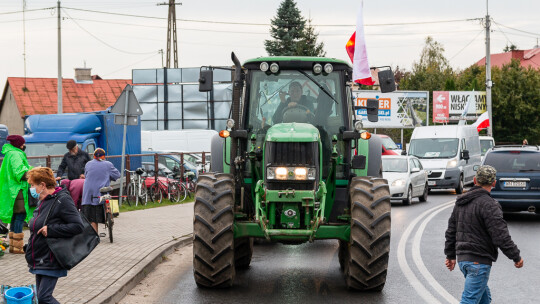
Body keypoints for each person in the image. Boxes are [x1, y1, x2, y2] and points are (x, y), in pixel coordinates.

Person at [444, 165, 523, 304]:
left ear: (474, 180)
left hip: (464, 260)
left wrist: (450, 255)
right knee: (469, 301)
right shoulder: (490, 204)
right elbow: (500, 235)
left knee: (484, 300)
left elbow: (451, 231)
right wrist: (515, 256)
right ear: (494, 182)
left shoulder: (461, 202)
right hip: (478, 262)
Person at [25, 167, 83, 304]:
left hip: (51, 257)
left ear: (42, 185)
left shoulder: (62, 200)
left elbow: (78, 226)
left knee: (44, 297)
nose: (31, 188)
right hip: (40, 256)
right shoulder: (42, 201)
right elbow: (36, 227)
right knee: (41, 298)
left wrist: (51, 230)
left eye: (33, 185)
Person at [0, 135, 32, 254]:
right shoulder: (16, 154)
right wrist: (34, 174)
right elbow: (20, 172)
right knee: (20, 216)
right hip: (18, 190)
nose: (24, 146)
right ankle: (18, 247)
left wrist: (34, 169)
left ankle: (13, 246)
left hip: (12, 190)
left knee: (14, 217)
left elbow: (25, 168)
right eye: (23, 144)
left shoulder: (10, 153)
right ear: (19, 144)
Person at [81, 148, 120, 235]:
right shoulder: (108, 164)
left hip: (89, 194)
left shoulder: (88, 164)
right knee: (106, 197)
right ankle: (109, 215)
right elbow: (117, 175)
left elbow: (86, 175)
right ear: (104, 156)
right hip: (102, 191)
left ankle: (95, 235)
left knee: (92, 217)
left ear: (94, 156)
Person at [56, 140, 91, 210]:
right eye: (69, 150)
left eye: (71, 149)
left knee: (82, 200)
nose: (70, 151)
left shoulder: (84, 155)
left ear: (76, 148)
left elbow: (90, 167)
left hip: (83, 182)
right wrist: (59, 175)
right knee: (73, 200)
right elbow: (62, 167)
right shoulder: (67, 156)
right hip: (72, 182)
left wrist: (85, 174)